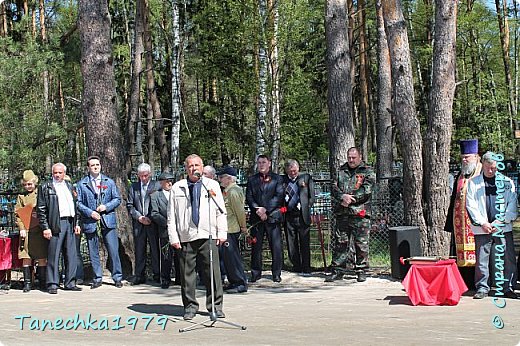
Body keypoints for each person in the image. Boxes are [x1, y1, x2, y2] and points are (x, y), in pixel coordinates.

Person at [167, 154, 228, 320]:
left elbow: (221, 211)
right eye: (190, 166)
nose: (194, 168)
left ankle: (215, 306)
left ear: (202, 167)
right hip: (186, 236)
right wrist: (174, 237)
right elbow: (171, 216)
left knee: (213, 273)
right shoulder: (177, 187)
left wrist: (222, 233)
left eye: (197, 165)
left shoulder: (212, 185)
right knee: (187, 275)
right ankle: (190, 306)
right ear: (186, 169)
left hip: (208, 234)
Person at [466, 152, 518, 299]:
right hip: (482, 227)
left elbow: (512, 205)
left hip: (502, 226)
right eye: (488, 168)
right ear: (483, 165)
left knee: (508, 258)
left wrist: (501, 221)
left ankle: (508, 287)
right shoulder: (473, 183)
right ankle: (482, 288)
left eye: (494, 168)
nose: (491, 171)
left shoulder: (507, 182)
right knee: (482, 258)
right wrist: (483, 223)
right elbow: (471, 205)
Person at [326, 147, 375, 283]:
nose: (351, 160)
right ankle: (338, 270)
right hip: (343, 212)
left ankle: (361, 270)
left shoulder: (367, 171)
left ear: (359, 157)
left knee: (361, 244)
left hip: (360, 213)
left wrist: (351, 199)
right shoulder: (341, 170)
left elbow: (367, 189)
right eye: (349, 158)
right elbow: (333, 186)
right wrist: (342, 197)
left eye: (354, 158)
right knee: (340, 242)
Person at [76, 156, 123, 289]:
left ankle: (117, 276)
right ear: (88, 168)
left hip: (107, 220)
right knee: (93, 251)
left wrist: (106, 207)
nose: (95, 167)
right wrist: (90, 212)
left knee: (113, 249)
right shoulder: (82, 184)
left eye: (97, 164)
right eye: (92, 165)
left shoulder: (109, 182)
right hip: (91, 221)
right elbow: (78, 203)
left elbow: (117, 199)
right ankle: (97, 277)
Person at [36, 163, 81, 294]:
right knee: (54, 254)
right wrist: (45, 227)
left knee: (71, 254)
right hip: (55, 223)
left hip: (70, 222)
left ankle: (70, 282)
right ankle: (52, 283)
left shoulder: (69, 186)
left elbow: (75, 206)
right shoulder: (45, 187)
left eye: (60, 173)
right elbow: (41, 209)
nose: (57, 175)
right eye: (55, 172)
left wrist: (77, 223)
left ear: (64, 173)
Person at [444, 139, 482, 287]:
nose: (465, 160)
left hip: (475, 221)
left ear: (476, 156)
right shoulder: (461, 174)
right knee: (459, 251)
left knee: (478, 252)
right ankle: (463, 282)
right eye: (463, 157)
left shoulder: (480, 172)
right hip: (460, 222)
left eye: (468, 156)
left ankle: (477, 282)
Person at [245, 154, 284, 283]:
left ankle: (276, 273)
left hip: (272, 217)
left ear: (269, 163)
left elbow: (278, 196)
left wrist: (265, 209)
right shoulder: (252, 179)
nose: (261, 164)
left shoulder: (277, 179)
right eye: (259, 162)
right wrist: (258, 209)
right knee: (256, 246)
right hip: (257, 218)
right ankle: (256, 273)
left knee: (276, 247)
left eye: (263, 162)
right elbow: (249, 197)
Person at [127, 163, 160, 285]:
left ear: (150, 174)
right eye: (141, 176)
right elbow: (130, 205)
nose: (143, 178)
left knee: (155, 250)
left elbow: (159, 204)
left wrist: (150, 217)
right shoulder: (134, 187)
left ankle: (157, 275)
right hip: (139, 223)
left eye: (145, 176)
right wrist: (139, 217)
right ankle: (139, 275)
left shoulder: (156, 185)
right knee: (139, 250)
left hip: (153, 222)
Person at [15, 170, 48, 292]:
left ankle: (43, 283)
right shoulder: (21, 197)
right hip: (27, 231)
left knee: (42, 257)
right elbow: (18, 215)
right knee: (26, 257)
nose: (27, 187)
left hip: (39, 230)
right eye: (25, 184)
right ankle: (27, 283)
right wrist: (22, 228)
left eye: (30, 184)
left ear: (34, 182)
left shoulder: (41, 194)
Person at [218, 166, 248, 293]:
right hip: (226, 228)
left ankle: (240, 282)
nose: (220, 179)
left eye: (222, 177)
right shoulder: (227, 191)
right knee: (228, 258)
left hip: (232, 228)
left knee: (233, 257)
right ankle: (233, 281)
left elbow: (239, 211)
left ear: (229, 178)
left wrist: (243, 227)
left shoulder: (233, 191)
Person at [282, 159, 315, 275]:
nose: (293, 173)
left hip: (302, 215)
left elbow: (312, 197)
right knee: (291, 243)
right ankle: (297, 266)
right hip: (289, 216)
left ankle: (306, 267)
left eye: (295, 171)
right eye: (290, 171)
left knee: (304, 242)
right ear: (286, 171)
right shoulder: (282, 180)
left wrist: (305, 205)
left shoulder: (306, 178)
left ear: (298, 169)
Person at [149, 172, 180, 289]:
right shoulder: (155, 196)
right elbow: (154, 213)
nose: (169, 183)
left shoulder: (178, 194)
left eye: (171, 181)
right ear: (161, 183)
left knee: (179, 255)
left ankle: (180, 278)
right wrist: (168, 223)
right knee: (166, 255)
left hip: (179, 230)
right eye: (167, 181)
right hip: (165, 230)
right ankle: (165, 279)